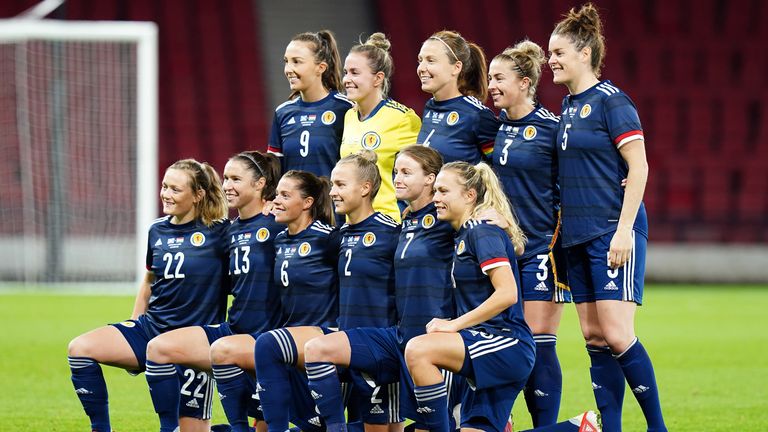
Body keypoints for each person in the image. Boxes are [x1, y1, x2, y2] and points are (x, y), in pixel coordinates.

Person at [548, 3, 667, 431]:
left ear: (585, 53)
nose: (552, 61)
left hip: (611, 232)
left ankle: (657, 426)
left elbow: (640, 166)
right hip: (576, 236)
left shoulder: (612, 102)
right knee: (595, 339)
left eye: (559, 52)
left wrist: (622, 233)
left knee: (617, 334)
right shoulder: (566, 107)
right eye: (549, 54)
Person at [304, 146, 460, 432]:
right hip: (403, 338)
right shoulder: (407, 222)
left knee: (434, 424)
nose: (397, 178)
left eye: (406, 172)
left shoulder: (444, 218)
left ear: (430, 179)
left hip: (435, 340)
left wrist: (492, 218)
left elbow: (481, 226)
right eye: (395, 172)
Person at [67, 159, 229, 432]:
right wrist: (134, 321)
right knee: (80, 349)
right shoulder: (157, 230)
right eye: (165, 186)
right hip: (151, 329)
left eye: (175, 189)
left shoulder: (220, 233)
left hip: (191, 343)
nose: (166, 194)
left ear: (198, 195)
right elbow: (149, 282)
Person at [258, 151, 401, 432]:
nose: (333, 192)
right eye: (333, 185)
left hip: (379, 347)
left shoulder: (390, 232)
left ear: (365, 188)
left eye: (340, 184)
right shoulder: (338, 237)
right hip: (345, 343)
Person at [142, 152, 283, 432]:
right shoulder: (227, 232)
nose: (227, 185)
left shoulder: (276, 225)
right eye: (226, 178)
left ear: (259, 184)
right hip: (234, 329)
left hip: (269, 335)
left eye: (235, 179)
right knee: (159, 348)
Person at [402, 161, 531, 432]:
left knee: (418, 350)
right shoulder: (464, 233)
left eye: (443, 191)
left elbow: (507, 293)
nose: (435, 198)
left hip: (505, 342)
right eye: (435, 190)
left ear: (470, 195)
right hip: (488, 345)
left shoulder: (481, 231)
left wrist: (453, 325)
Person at [211, 170, 338, 432]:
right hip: (289, 336)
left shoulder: (327, 238)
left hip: (321, 334)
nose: (276, 200)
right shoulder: (279, 239)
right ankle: (241, 427)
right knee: (222, 351)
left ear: (307, 203)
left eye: (285, 195)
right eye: (276, 194)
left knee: (267, 347)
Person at [488, 40, 571, 427]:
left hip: (544, 248)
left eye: (499, 78)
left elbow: (581, 175)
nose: (491, 85)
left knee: (538, 341)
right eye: (489, 78)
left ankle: (546, 426)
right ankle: (502, 419)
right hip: (505, 251)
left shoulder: (552, 129)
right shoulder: (498, 128)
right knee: (507, 342)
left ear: (524, 83)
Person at [339, 33, 422, 222]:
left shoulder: (402, 118)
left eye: (355, 72)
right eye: (346, 72)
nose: (346, 79)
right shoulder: (349, 116)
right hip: (353, 226)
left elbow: (420, 176)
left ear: (378, 78)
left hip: (389, 223)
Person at [267, 30, 353, 178]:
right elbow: (274, 172)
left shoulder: (346, 109)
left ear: (320, 68)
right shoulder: (282, 113)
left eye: (296, 62)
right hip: (292, 201)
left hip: (330, 200)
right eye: (286, 61)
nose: (288, 69)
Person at [416, 30, 499, 164]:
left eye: (430, 61)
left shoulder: (476, 115)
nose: (421, 68)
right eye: (420, 60)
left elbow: (500, 170)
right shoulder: (430, 107)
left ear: (456, 67)